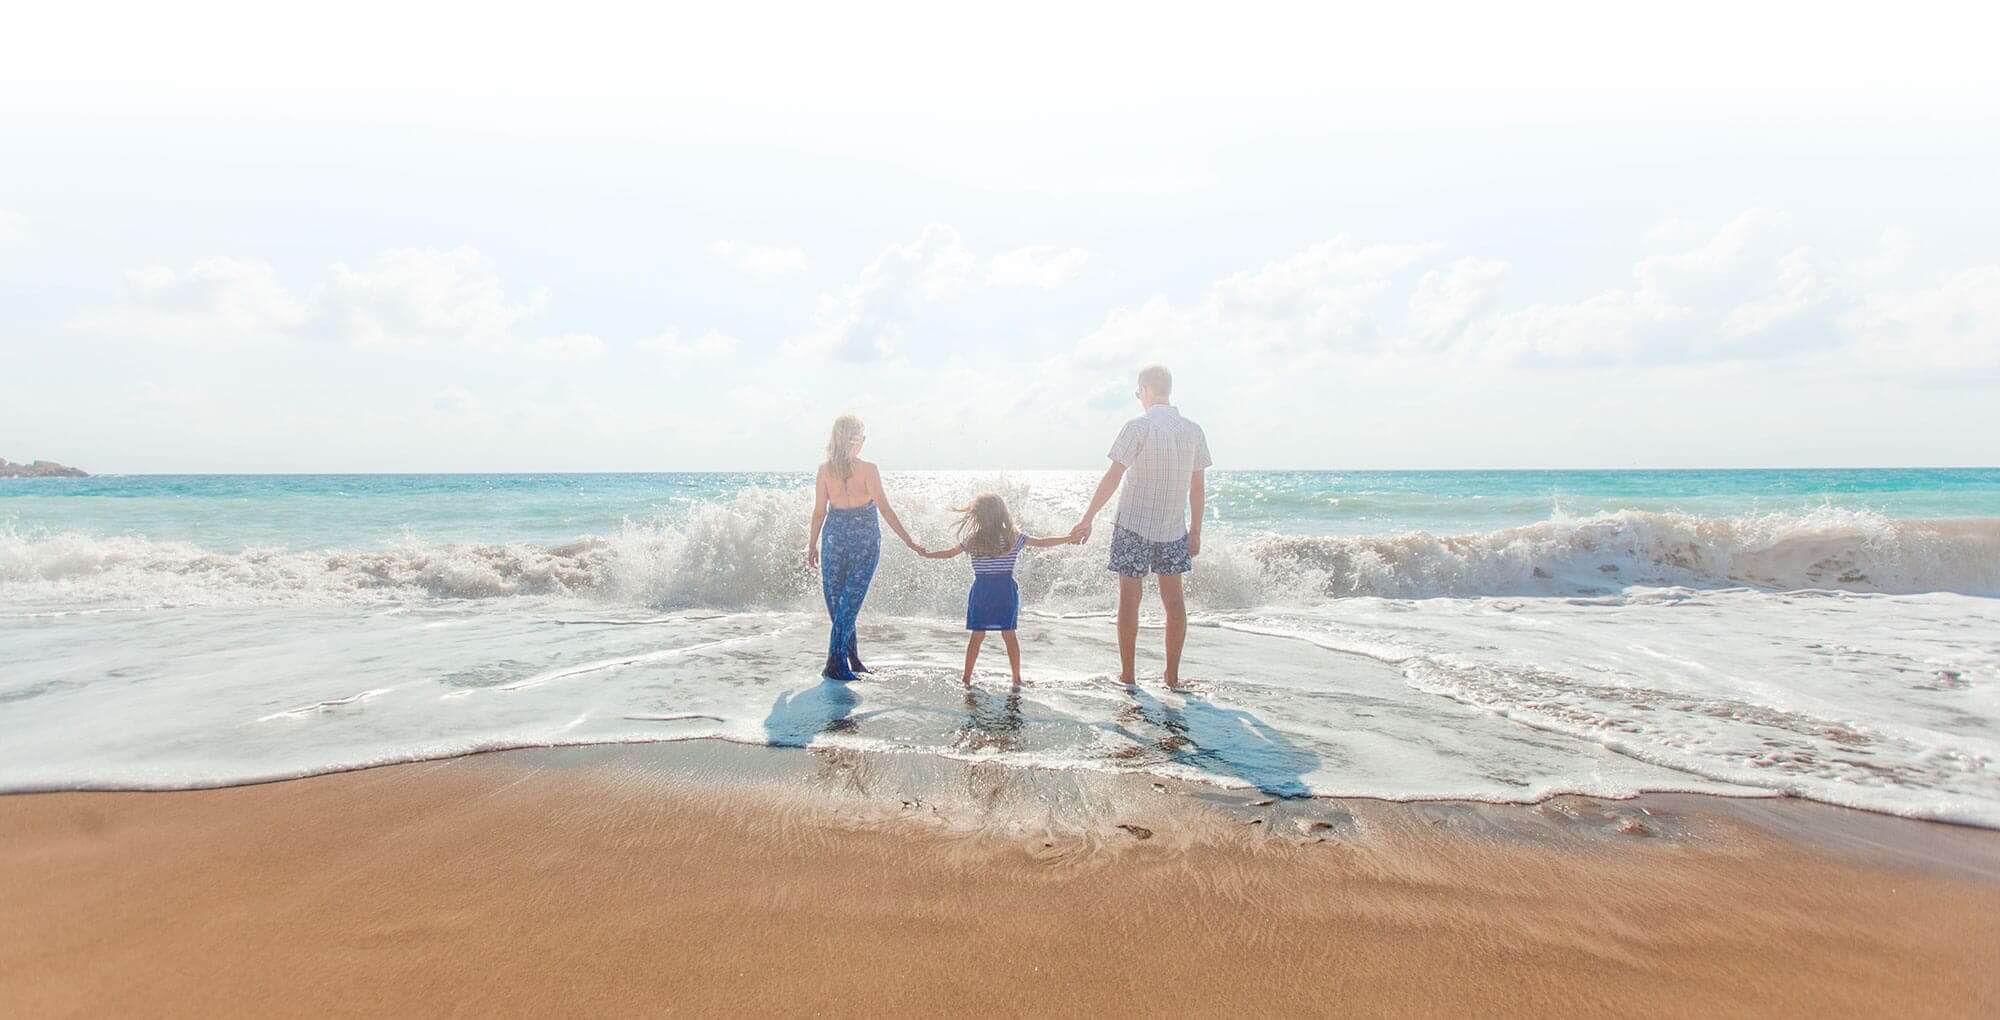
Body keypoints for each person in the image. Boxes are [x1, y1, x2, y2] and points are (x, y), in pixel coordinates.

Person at [1068, 365, 1211, 689]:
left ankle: (1128, 675)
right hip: (1174, 529)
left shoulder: (1138, 427)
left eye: (1137, 393)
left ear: (1145, 389)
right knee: (1174, 603)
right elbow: (1197, 489)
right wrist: (1197, 530)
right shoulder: (1193, 431)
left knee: (1129, 601)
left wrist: (1087, 517)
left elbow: (1113, 476)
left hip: (1133, 525)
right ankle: (1171, 677)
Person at [806, 415, 922, 682]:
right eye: (862, 437)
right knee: (845, 605)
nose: (864, 442)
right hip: (861, 540)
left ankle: (851, 659)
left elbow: (819, 513)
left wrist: (812, 544)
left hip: (836, 538)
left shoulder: (825, 470)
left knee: (842, 604)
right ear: (854, 440)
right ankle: (835, 663)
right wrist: (909, 540)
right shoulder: (867, 469)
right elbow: (885, 508)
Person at [920, 492, 1076, 686]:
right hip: (1005, 592)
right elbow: (1042, 542)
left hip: (982, 592)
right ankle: (1016, 678)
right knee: (1009, 635)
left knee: (977, 636)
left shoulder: (973, 540)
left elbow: (949, 554)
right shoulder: (1013, 538)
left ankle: (967, 678)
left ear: (977, 516)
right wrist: (1068, 538)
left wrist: (927, 554)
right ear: (1003, 513)